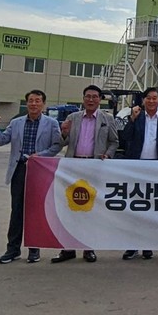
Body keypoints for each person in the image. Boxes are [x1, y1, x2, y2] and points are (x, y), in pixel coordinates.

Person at [0, 89, 62, 264]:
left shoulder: (52, 123)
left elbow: (57, 145)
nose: (34, 104)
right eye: (31, 100)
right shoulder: (16, 123)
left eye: (37, 100)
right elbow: (0, 141)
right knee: (16, 211)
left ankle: (34, 249)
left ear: (43, 104)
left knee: (35, 210)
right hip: (19, 170)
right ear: (26, 103)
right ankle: (13, 249)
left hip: (39, 171)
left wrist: (40, 156)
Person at [53, 84, 119, 264]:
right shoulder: (72, 118)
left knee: (91, 209)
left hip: (94, 167)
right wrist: (64, 132)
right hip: (73, 167)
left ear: (100, 99)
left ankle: (89, 248)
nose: (91, 100)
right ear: (83, 99)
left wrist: (108, 155)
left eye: (94, 97)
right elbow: (62, 143)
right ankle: (67, 249)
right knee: (70, 208)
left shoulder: (107, 119)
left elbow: (114, 141)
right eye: (88, 96)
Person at [121, 87, 158, 260]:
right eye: (148, 98)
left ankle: (147, 245)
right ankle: (132, 245)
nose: (151, 101)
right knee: (135, 208)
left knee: (152, 209)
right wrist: (132, 119)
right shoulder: (136, 117)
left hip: (156, 169)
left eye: (155, 98)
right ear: (143, 100)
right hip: (137, 168)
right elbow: (125, 137)